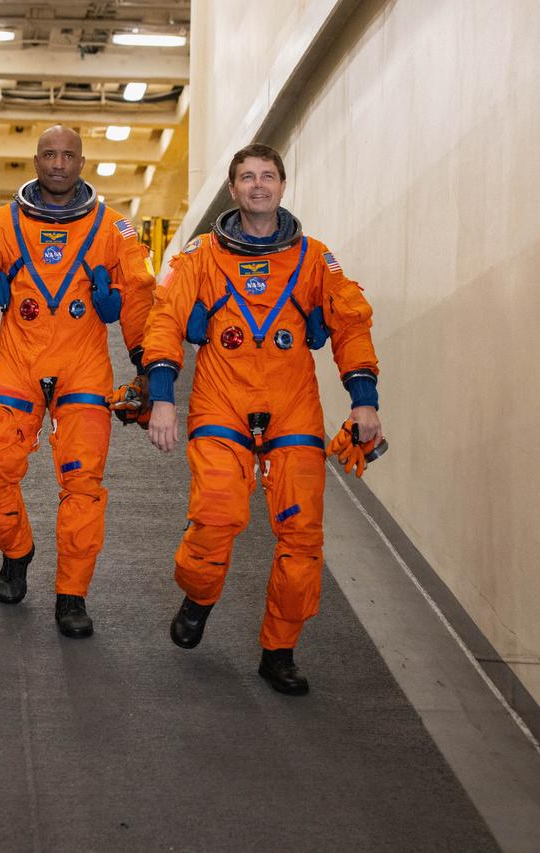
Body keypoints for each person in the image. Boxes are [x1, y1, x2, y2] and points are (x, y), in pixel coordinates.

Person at [142, 143, 383, 695]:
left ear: (281, 186)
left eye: (267, 176)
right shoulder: (201, 256)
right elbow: (164, 319)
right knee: (217, 515)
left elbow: (349, 323)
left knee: (301, 536)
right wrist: (160, 396)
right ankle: (199, 596)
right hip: (221, 402)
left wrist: (363, 398)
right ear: (232, 189)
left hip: (292, 406)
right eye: (247, 177)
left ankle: (279, 650)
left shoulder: (313, 258)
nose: (258, 185)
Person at [0, 126, 156, 638]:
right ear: (35, 160)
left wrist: (147, 364)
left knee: (83, 486)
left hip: (83, 366)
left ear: (82, 162)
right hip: (16, 363)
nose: (59, 163)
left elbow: (137, 297)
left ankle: (72, 594)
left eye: (68, 155)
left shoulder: (115, 231)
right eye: (49, 154)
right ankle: (17, 549)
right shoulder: (0, 224)